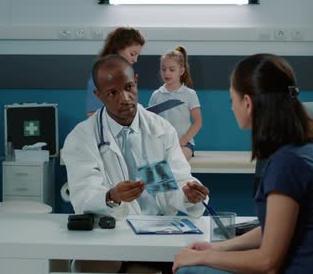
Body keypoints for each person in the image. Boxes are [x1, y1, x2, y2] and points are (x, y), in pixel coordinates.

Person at [173, 54, 313, 274]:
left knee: (190, 270)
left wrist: (205, 257)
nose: (232, 108)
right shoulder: (297, 152)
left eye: (233, 100)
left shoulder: (288, 163)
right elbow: (272, 229)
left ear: (247, 103)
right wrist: (217, 247)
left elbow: (267, 262)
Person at [64, 54, 209, 220]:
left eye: (128, 88)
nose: (125, 99)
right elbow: (84, 198)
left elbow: (173, 184)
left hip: (159, 225)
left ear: (136, 82)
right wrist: (112, 196)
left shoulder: (160, 130)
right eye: (112, 93)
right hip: (113, 229)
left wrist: (189, 195)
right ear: (99, 95)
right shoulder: (82, 138)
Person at [149, 46, 202, 162]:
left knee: (176, 161)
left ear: (181, 71)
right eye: (163, 69)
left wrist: (184, 140)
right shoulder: (156, 95)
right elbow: (151, 123)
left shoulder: (189, 94)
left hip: (184, 145)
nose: (167, 73)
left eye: (172, 70)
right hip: (161, 146)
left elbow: (198, 122)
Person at [86, 27, 145, 117]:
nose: (135, 60)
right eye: (132, 54)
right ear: (118, 49)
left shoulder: (127, 76)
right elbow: (93, 114)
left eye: (138, 55)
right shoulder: (100, 76)